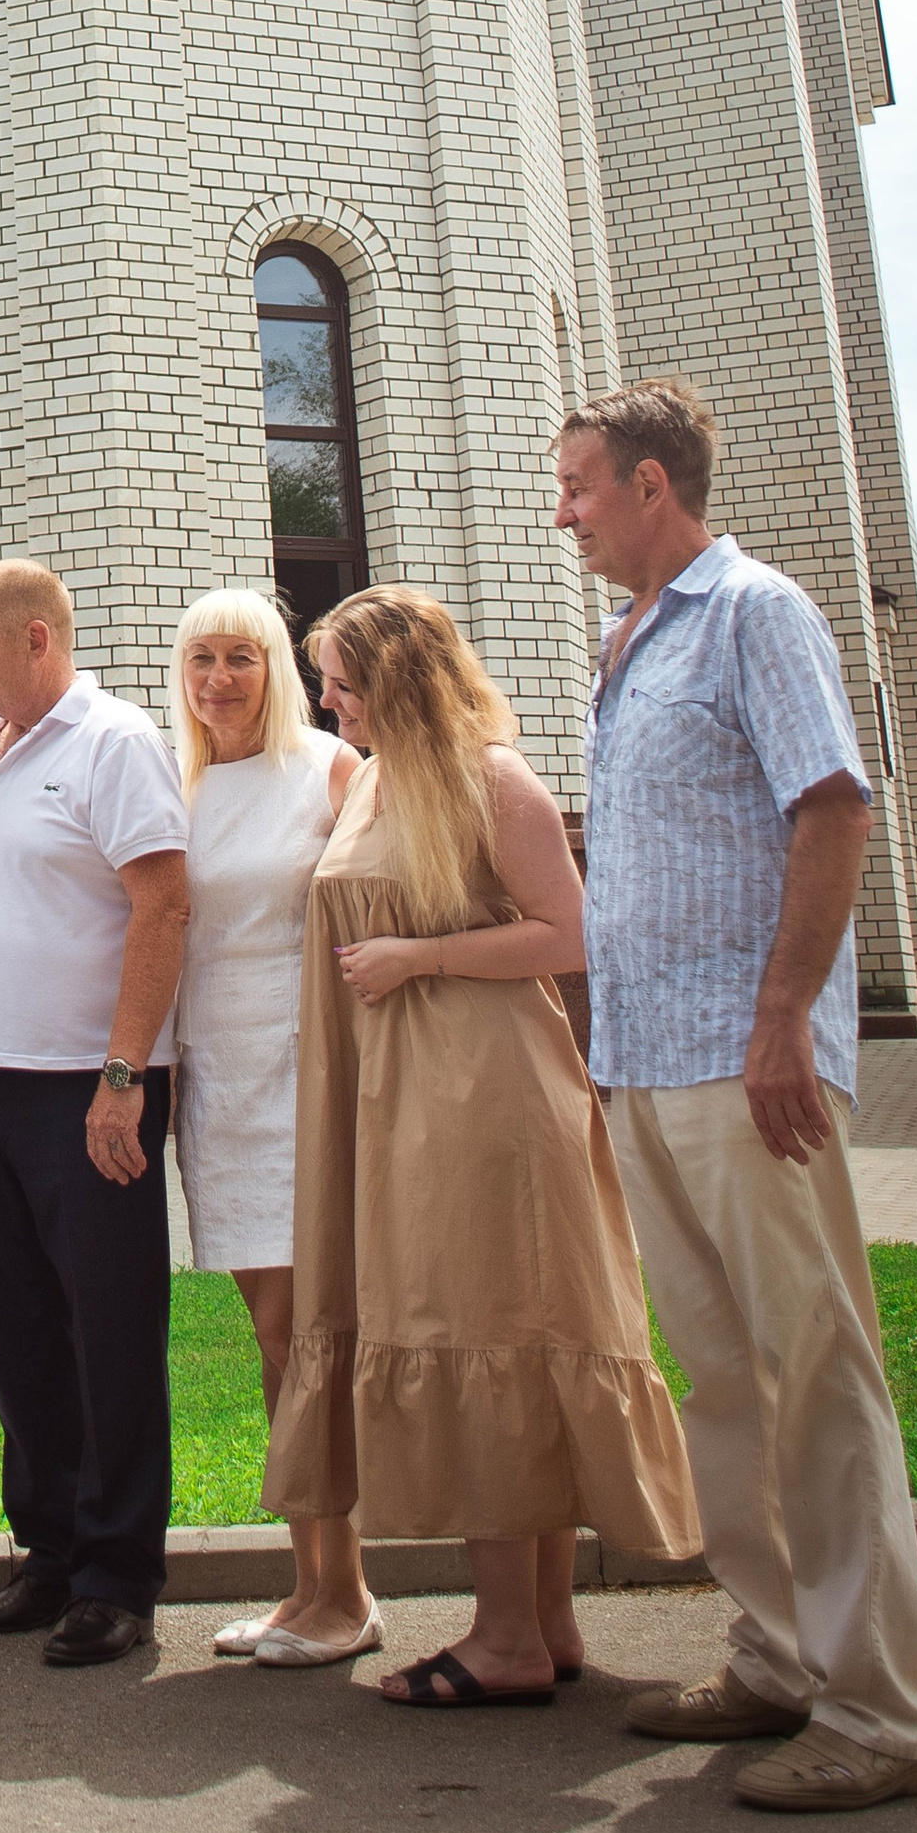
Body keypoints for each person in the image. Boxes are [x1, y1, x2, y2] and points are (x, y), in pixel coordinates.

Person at [558, 380, 917, 1810]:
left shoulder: (755, 610)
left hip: (745, 1059)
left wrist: (786, 1014)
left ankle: (883, 1713)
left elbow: (831, 804)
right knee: (722, 1377)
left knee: (814, 1372)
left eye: (581, 483)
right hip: (648, 1062)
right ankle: (779, 1651)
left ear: (654, 484)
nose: (565, 509)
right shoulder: (630, 641)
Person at [264, 585, 699, 1705]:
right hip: (404, 1099)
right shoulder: (371, 784)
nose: (327, 699)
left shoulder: (489, 776)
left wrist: (418, 959)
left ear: (397, 680)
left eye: (343, 680)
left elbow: (569, 934)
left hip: (485, 1098)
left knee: (487, 1326)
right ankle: (542, 1627)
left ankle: (503, 1636)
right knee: (492, 1328)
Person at [0, 561, 190, 1666]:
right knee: (22, 1330)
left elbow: (163, 902)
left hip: (93, 1090)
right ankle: (45, 1555)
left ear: (36, 637)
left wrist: (125, 1075)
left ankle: (117, 1574)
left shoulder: (115, 742)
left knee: (110, 1331)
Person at [167, 586, 373, 1665]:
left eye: (240, 657)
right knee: (272, 1342)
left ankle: (343, 1593)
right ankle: (310, 1587)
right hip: (218, 1086)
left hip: (305, 1076)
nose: (218, 680)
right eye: (200, 658)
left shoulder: (330, 770)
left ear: (276, 668)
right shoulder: (180, 787)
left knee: (310, 1342)